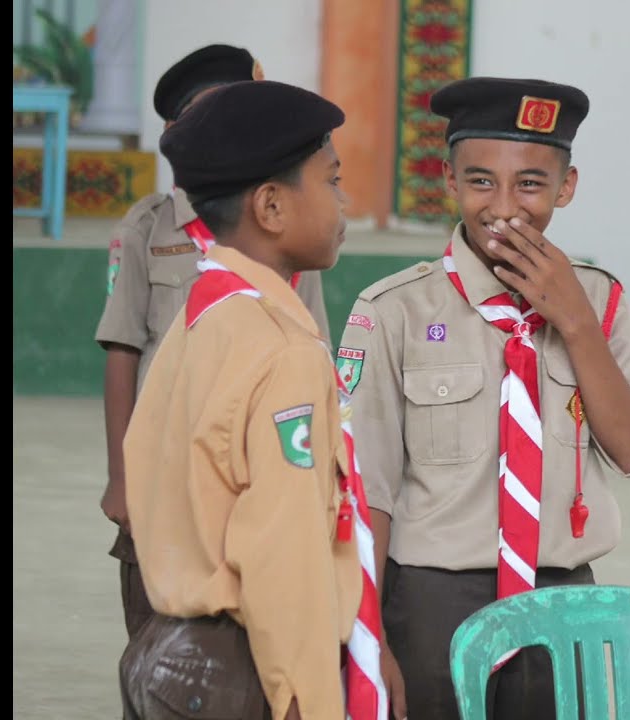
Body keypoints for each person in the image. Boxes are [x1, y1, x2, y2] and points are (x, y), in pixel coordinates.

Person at [337, 76, 630, 720]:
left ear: (566, 188)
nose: (505, 205)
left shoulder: (599, 303)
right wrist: (367, 634)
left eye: (532, 183)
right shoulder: (395, 310)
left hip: (564, 599)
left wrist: (573, 321)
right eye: (482, 180)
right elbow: (366, 490)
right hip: (435, 600)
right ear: (449, 179)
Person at [119, 79, 365, 720]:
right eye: (332, 181)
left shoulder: (203, 318)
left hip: (164, 652)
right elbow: (282, 555)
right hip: (238, 672)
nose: (345, 203)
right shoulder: (284, 350)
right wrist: (308, 704)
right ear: (272, 208)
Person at [94, 43, 331, 644]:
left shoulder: (293, 236)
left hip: (257, 463)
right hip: (164, 461)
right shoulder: (147, 230)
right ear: (177, 132)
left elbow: (316, 352)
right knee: (156, 631)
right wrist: (121, 477)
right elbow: (122, 348)